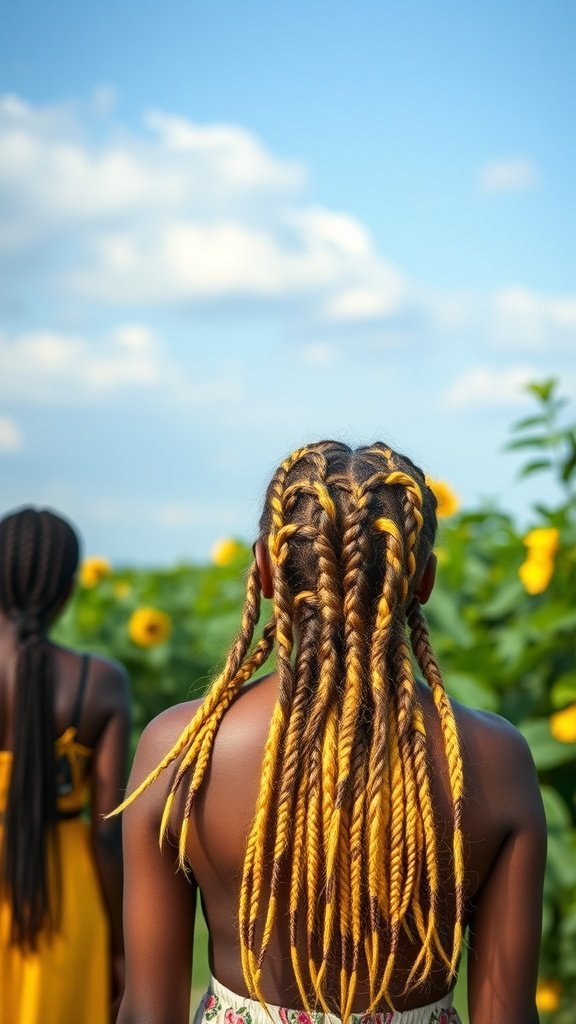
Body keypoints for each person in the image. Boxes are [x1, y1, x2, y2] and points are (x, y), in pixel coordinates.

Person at [116, 441, 546, 1024]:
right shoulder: (495, 760)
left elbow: (146, 1011)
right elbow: (509, 1016)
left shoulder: (184, 747)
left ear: (265, 570)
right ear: (423, 580)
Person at [0, 507, 131, 1024]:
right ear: (69, 588)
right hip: (65, 904)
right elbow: (106, 832)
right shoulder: (99, 682)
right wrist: (123, 947)